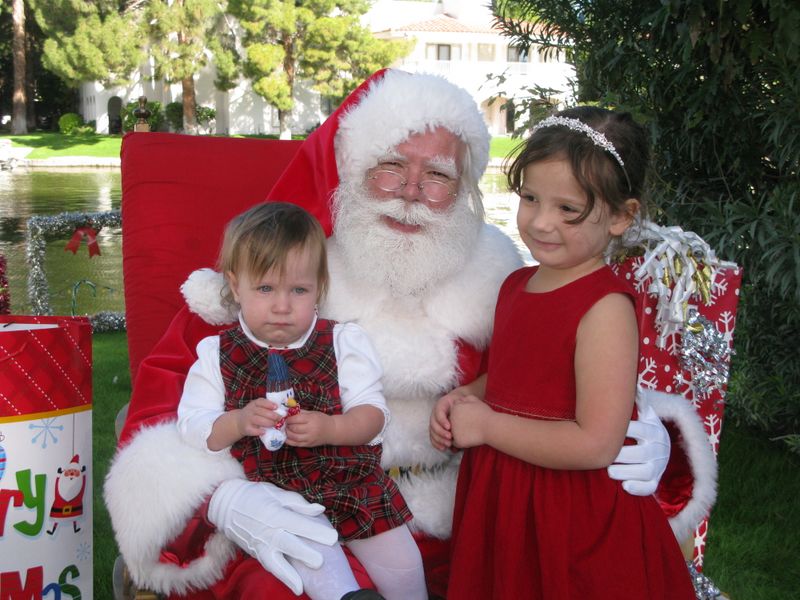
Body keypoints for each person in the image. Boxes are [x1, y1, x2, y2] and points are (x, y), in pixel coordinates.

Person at [106, 70, 692, 600]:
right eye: (391, 166)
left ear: (462, 188)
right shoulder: (285, 274)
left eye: (437, 174)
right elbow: (169, 398)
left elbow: (562, 380)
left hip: (469, 518)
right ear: (354, 167)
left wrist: (654, 432)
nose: (411, 189)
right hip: (303, 512)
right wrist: (226, 500)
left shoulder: (503, 274)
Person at [431, 107, 695, 598]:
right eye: (530, 198)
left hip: (569, 512)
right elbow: (517, 377)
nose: (541, 222)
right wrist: (469, 394)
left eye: (567, 209)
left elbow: (596, 442)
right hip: (505, 497)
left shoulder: (604, 308)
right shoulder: (515, 284)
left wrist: (486, 426)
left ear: (621, 216)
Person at [176, 202, 427, 600]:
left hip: (351, 483)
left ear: (319, 288)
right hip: (275, 497)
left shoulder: (342, 342)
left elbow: (374, 414)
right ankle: (349, 596)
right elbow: (193, 427)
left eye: (298, 290)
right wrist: (238, 422)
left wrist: (332, 427)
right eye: (264, 289)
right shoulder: (218, 353)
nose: (281, 305)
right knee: (314, 555)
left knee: (403, 561)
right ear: (235, 285)